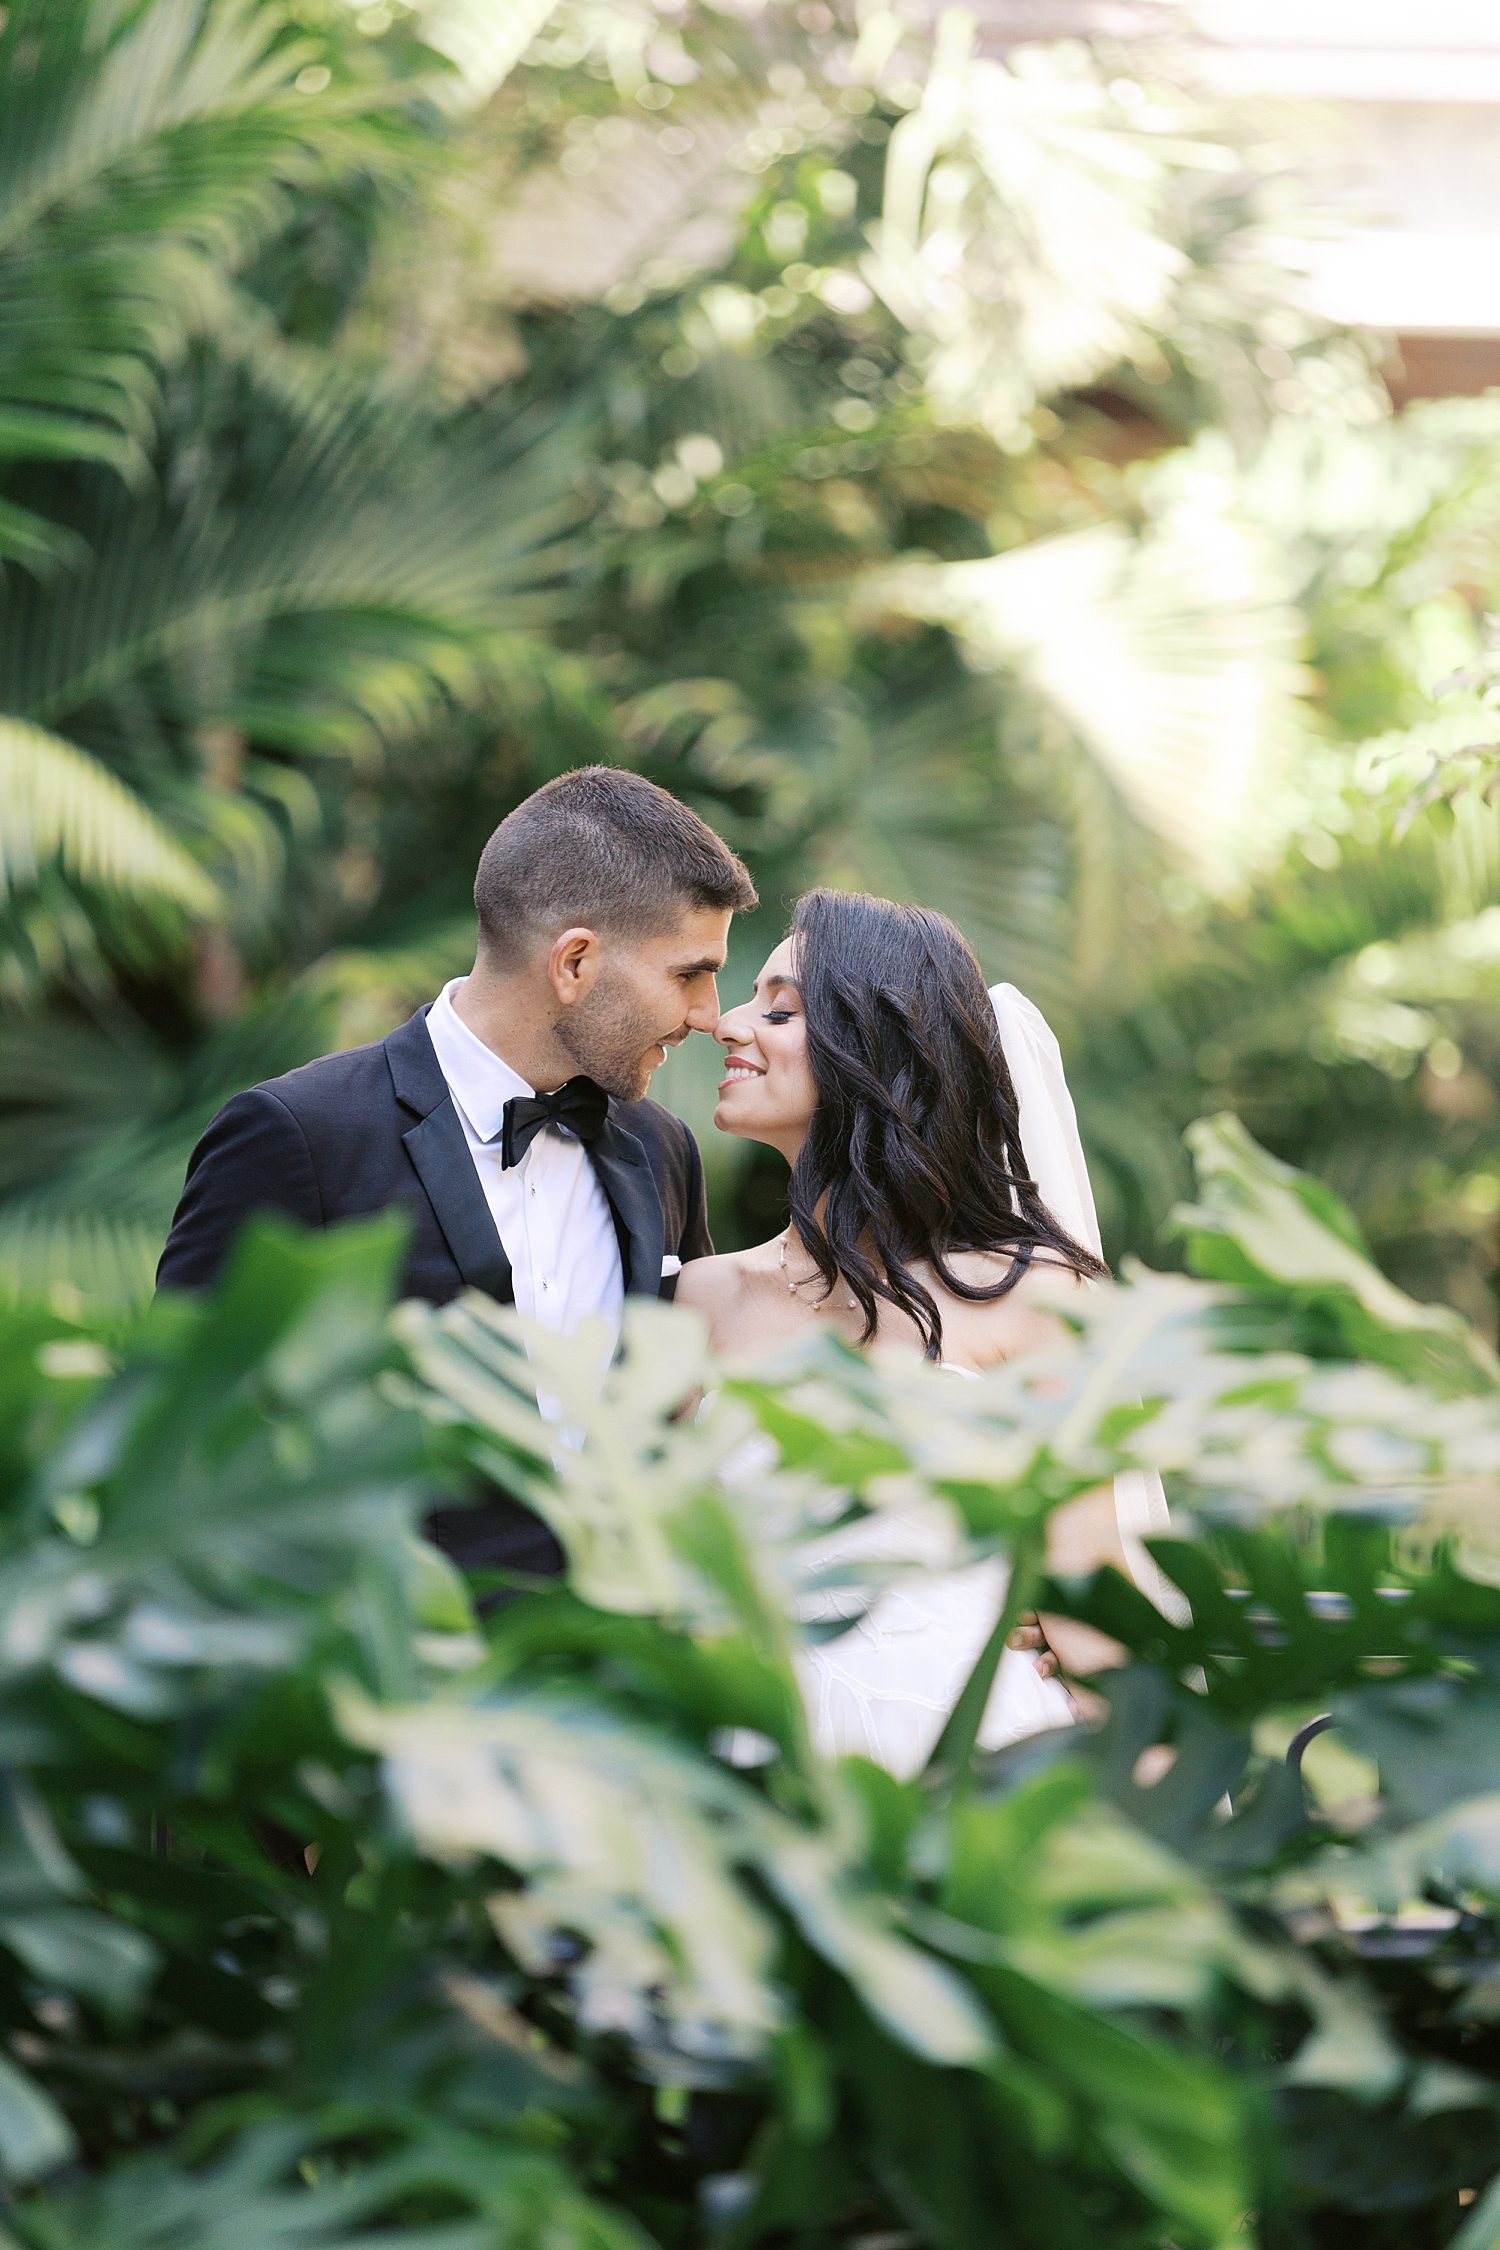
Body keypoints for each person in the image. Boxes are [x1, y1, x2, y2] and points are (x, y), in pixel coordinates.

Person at [157, 765, 758, 1584]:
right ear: (574, 962)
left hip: (618, 1683)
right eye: (689, 972)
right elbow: (181, 1442)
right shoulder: (299, 1137)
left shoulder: (660, 1148)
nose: (707, 1013)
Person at [676, 887, 1139, 1776]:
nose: (728, 1025)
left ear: (874, 1050)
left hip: (973, 1767)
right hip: (756, 1780)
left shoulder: (1038, 1300)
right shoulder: (708, 1296)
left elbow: (1089, 1600)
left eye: (779, 1007)